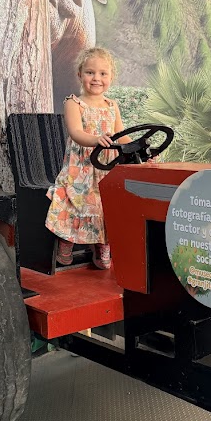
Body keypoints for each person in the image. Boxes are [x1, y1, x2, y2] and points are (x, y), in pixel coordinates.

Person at [45, 47, 128, 269]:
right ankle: (66, 241)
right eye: (90, 72)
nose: (96, 78)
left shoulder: (112, 106)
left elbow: (122, 136)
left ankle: (102, 245)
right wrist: (96, 140)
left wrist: (142, 148)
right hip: (80, 167)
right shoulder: (73, 103)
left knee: (107, 204)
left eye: (103, 74)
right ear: (80, 74)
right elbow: (76, 133)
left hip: (106, 168)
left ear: (111, 77)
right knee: (75, 199)